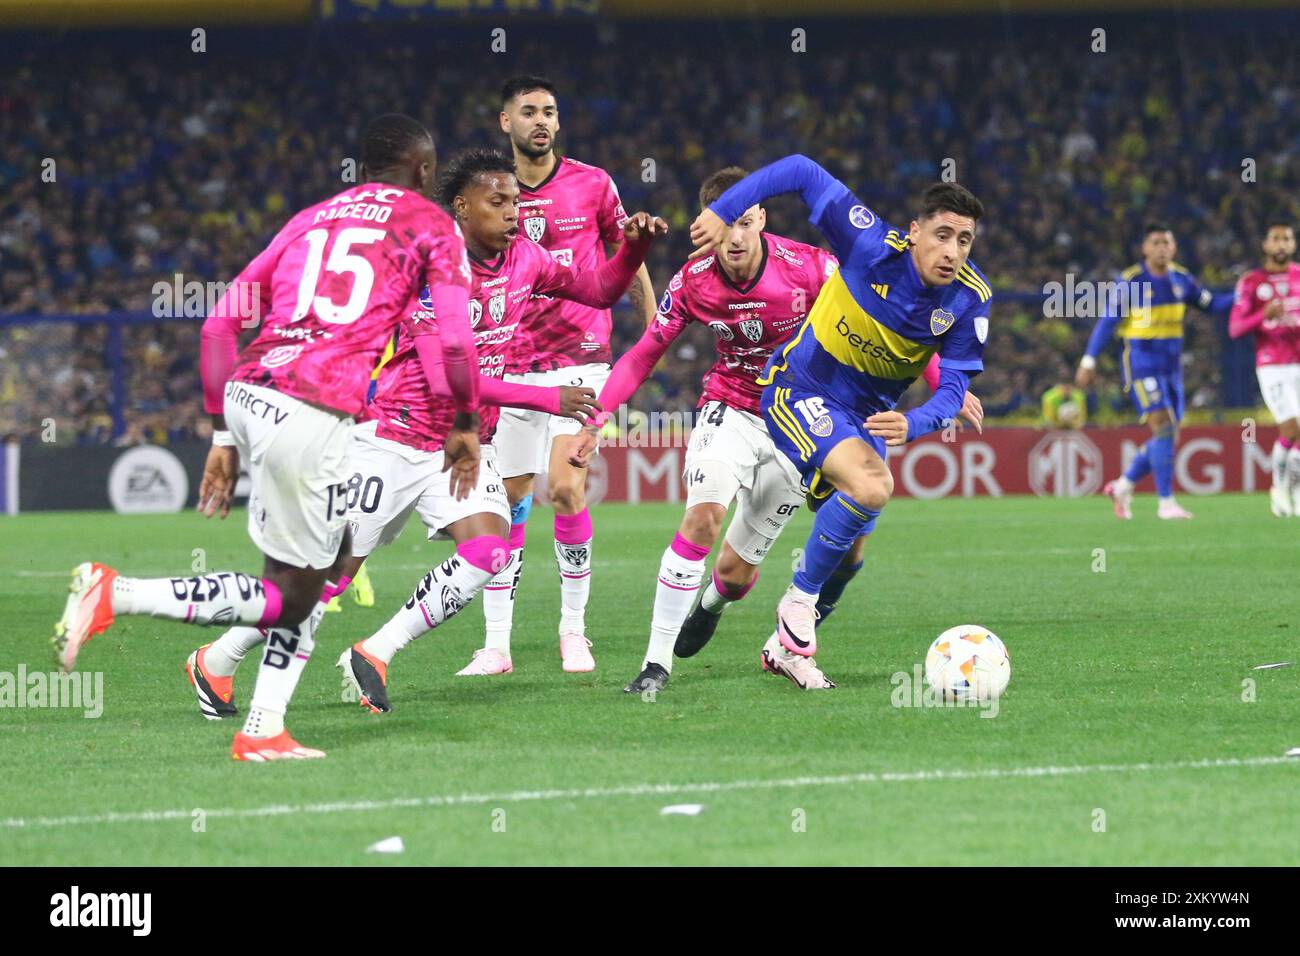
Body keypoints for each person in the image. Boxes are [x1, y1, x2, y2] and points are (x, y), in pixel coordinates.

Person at [56, 115, 480, 758]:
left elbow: (217, 328)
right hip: (313, 410)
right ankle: (117, 592)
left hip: (253, 394)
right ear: (425, 171)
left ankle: (263, 728)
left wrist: (224, 435)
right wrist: (467, 421)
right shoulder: (430, 225)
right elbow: (454, 337)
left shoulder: (309, 219)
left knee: (309, 578)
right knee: (295, 590)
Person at [689, 154, 991, 690]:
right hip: (800, 390)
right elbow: (803, 170)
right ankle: (797, 603)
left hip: (866, 421)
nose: (952, 252)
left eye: (964, 241)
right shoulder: (870, 245)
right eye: (943, 235)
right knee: (874, 486)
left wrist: (917, 422)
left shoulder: (969, 298)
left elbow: (953, 389)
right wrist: (725, 209)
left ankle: (786, 650)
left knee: (851, 554)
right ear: (916, 231)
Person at [484, 74, 657, 674]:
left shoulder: (594, 184)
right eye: (528, 111)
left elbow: (624, 262)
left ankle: (574, 632)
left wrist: (654, 328)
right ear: (505, 122)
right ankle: (497, 645)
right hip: (509, 364)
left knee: (564, 486)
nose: (541, 121)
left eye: (550, 112)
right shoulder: (491, 195)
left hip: (582, 357)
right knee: (505, 502)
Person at [1076, 224, 1234, 519]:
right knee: (1163, 427)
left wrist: (1247, 296)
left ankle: (1123, 485)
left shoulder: (1182, 279)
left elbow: (1212, 305)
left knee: (1168, 435)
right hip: (1141, 365)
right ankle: (1166, 503)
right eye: (1156, 242)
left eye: (1167, 242)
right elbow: (1109, 321)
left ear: (1173, 249)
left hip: (1172, 369)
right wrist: (1089, 360)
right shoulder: (1131, 281)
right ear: (1145, 249)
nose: (1162, 247)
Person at [1229, 223, 1300, 516]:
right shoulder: (1251, 282)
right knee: (1292, 427)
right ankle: (1279, 488)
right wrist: (1262, 315)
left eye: (1286, 239)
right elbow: (1235, 329)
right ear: (1266, 246)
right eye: (1275, 239)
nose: (1281, 244)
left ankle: (1291, 489)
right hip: (1272, 364)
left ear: (1293, 245)